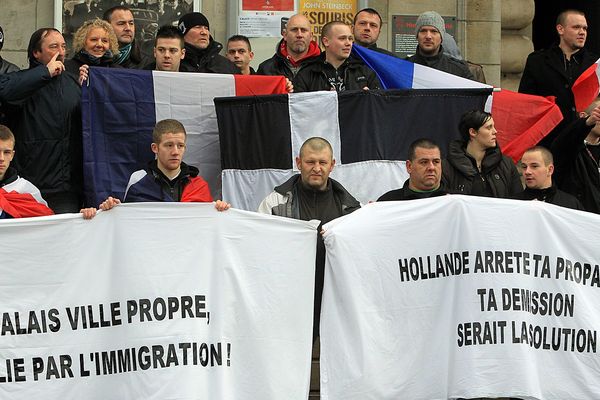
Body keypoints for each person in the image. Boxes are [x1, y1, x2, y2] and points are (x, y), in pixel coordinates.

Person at [258, 137, 360, 342]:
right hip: (289, 300)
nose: (316, 168)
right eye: (310, 162)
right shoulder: (275, 203)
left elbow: (361, 256)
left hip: (334, 300)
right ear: (298, 163)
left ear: (332, 165)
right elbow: (257, 247)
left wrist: (372, 219)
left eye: (322, 163)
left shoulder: (350, 208)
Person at [0, 28, 83, 213]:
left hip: (65, 189)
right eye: (54, 46)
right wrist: (45, 73)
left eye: (63, 46)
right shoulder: (22, 80)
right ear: (36, 53)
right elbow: (5, 91)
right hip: (28, 184)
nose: (61, 52)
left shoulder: (73, 83)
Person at [81, 119, 229, 218]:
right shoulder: (138, 180)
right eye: (169, 145)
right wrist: (110, 211)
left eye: (180, 146)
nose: (176, 151)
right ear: (155, 148)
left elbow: (208, 227)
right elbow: (127, 222)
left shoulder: (199, 185)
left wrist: (220, 211)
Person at [519, 9, 598, 146]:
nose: (582, 32)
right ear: (560, 29)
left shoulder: (595, 63)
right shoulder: (538, 61)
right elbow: (526, 102)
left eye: (585, 28)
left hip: (584, 141)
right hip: (549, 140)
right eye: (576, 27)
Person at [442, 110, 523, 197]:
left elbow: (518, 201)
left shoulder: (506, 164)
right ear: (473, 132)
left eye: (494, 127)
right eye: (489, 127)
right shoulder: (447, 167)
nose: (495, 131)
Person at [293, 21, 381, 93]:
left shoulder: (365, 72)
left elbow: (378, 107)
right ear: (326, 41)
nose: (348, 43)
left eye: (350, 39)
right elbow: (298, 108)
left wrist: (369, 99)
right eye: (342, 38)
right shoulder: (308, 73)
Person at [551, 98, 600, 213]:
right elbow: (563, 143)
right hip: (578, 217)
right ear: (583, 116)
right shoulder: (570, 148)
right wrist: (588, 122)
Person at [0, 124, 53, 218]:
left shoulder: (26, 189)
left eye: (7, 152)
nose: (1, 158)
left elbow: (47, 225)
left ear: (12, 155)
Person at [408, 11, 474, 80]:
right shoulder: (403, 68)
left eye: (434, 31)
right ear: (417, 36)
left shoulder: (459, 70)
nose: (428, 36)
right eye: (423, 31)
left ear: (441, 37)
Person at [515, 146, 582, 210]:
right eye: (524, 167)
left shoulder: (570, 204)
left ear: (550, 170)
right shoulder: (513, 204)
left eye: (534, 166)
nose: (527, 172)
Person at [378, 139, 446, 201]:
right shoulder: (388, 202)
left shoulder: (454, 201)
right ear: (409, 166)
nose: (431, 167)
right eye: (424, 162)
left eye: (436, 162)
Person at [257, 14, 320, 80]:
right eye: (294, 30)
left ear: (311, 36)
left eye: (303, 30)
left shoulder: (323, 68)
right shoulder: (266, 69)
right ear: (285, 35)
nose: (299, 35)